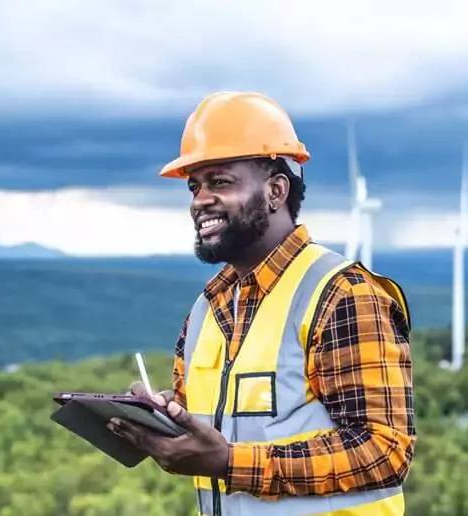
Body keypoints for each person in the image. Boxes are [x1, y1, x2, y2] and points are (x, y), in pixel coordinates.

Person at [107, 91, 416, 516]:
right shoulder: (208, 309)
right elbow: (212, 434)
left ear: (275, 190)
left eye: (220, 181)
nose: (199, 200)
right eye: (194, 186)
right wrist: (157, 417)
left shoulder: (342, 294)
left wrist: (230, 463)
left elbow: (383, 451)